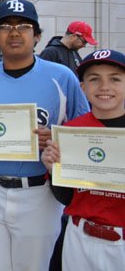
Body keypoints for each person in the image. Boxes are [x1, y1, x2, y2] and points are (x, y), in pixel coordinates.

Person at [0, 0, 90, 271]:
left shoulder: (62, 78)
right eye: (5, 26)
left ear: (37, 36)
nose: (14, 32)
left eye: (24, 26)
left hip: (39, 192)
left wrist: (57, 140)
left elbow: (83, 134)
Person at [42, 49, 125, 270]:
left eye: (115, 79)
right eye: (94, 79)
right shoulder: (71, 132)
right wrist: (53, 170)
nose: (104, 87)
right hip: (80, 237)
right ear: (83, 88)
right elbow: (67, 198)